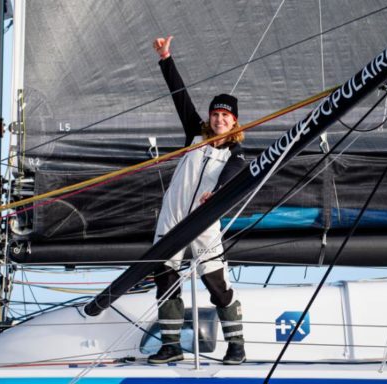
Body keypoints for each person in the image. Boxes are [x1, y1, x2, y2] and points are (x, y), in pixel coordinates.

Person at [147, 36, 246, 365]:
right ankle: (171, 345)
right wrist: (166, 58)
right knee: (165, 277)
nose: (219, 119)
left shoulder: (235, 153)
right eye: (215, 114)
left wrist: (215, 195)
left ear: (234, 122)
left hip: (205, 224)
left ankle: (236, 345)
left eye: (225, 116)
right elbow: (180, 96)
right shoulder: (194, 134)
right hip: (172, 219)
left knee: (215, 283)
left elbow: (232, 175)